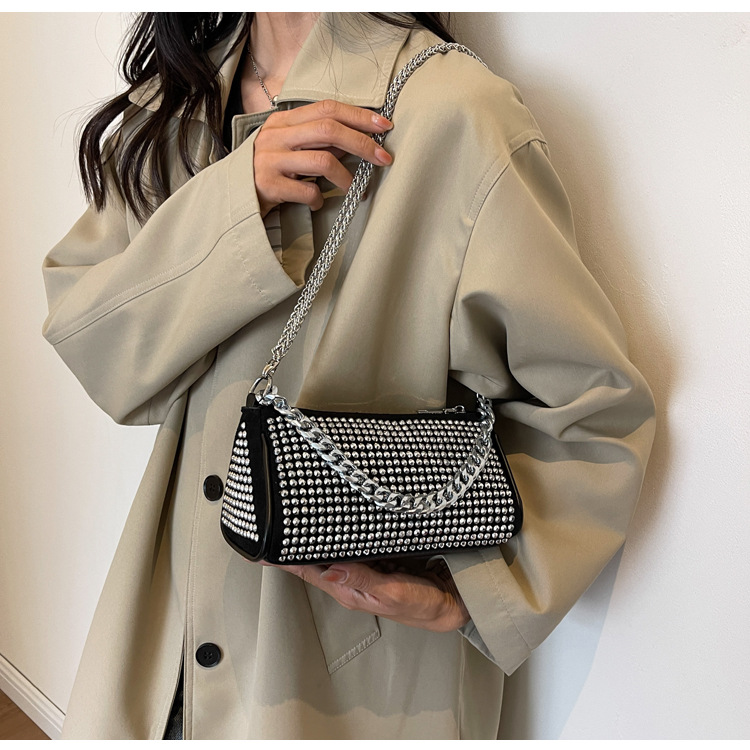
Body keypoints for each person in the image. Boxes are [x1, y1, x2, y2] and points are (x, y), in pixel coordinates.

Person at [42, 12, 656, 740]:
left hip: (349, 673)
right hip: (164, 647)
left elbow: (593, 407)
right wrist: (235, 201)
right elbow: (98, 349)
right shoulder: (173, 108)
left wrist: (479, 591)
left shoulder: (452, 114)